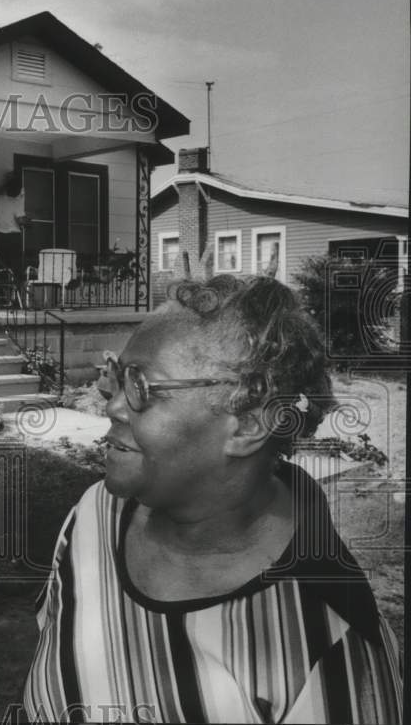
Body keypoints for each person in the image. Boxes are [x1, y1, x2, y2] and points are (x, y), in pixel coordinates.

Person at [24, 274, 402, 724]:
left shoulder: (325, 640)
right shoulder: (94, 515)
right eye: (116, 375)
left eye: (141, 386)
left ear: (247, 426)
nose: (113, 407)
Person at [0, 179, 28, 297]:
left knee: (2, 267)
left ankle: (2, 296)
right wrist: (29, 221)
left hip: (0, 236)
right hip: (13, 237)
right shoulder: (15, 202)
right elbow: (21, 220)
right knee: (17, 267)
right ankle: (18, 297)